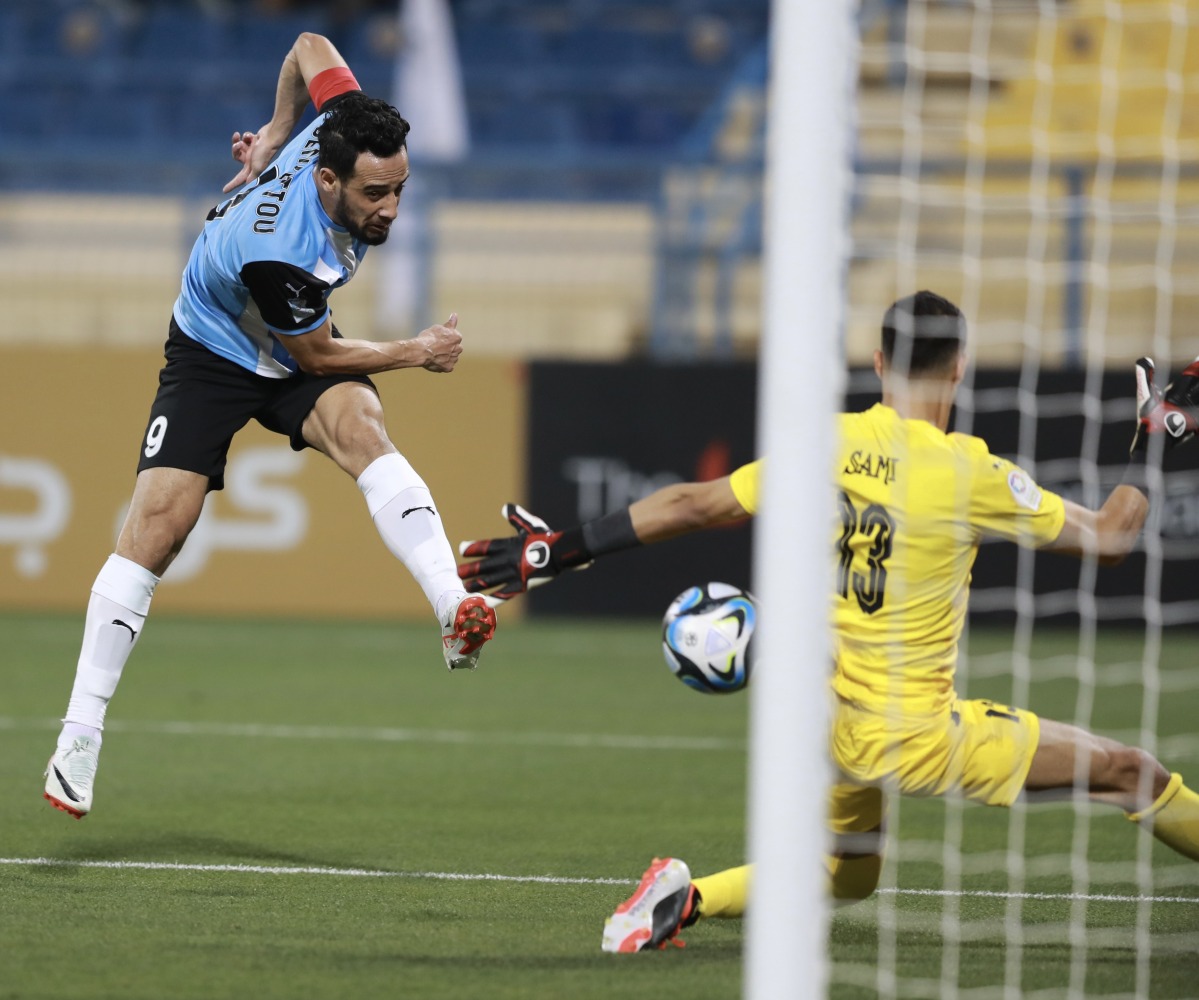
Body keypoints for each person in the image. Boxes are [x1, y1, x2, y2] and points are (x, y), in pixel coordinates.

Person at [455, 290, 1199, 953]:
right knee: (1130, 774)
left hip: (835, 722)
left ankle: (685, 896)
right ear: (961, 366)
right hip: (917, 736)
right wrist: (1152, 439)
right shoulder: (970, 470)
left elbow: (692, 505)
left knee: (847, 874)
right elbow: (1108, 539)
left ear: (877, 361)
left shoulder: (828, 443)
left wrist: (559, 550)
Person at [43, 32, 497, 821]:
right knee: (159, 525)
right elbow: (316, 356)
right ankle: (80, 734)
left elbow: (307, 43)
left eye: (400, 190)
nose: (389, 209)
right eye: (373, 196)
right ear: (329, 180)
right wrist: (415, 349)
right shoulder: (279, 252)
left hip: (287, 339)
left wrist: (277, 128)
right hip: (217, 350)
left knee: (365, 434)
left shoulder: (345, 119)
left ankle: (452, 609)